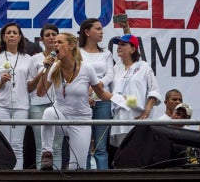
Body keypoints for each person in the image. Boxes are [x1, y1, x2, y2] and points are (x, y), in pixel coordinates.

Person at [36, 32, 113, 170]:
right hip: (60, 117)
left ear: (71, 46)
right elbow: (40, 93)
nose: (55, 45)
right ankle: (46, 154)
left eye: (59, 42)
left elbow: (101, 94)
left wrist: (119, 98)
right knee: (48, 112)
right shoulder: (53, 67)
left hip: (81, 120)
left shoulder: (86, 68)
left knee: (76, 168)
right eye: (55, 43)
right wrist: (46, 69)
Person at [0, 22, 35, 170]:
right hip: (1, 105)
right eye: (8, 33)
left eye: (15, 33)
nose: (12, 35)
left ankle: (17, 176)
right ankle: (3, 176)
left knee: (17, 145)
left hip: (21, 106)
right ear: (3, 37)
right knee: (3, 145)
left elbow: (30, 86)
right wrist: (0, 82)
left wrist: (39, 77)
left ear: (20, 37)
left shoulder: (28, 59)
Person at [109, 34, 161, 150]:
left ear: (133, 49)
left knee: (139, 153)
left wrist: (147, 110)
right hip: (120, 120)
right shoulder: (116, 68)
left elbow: (154, 90)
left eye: (123, 44)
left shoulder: (143, 67)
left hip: (138, 117)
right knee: (123, 154)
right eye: (118, 45)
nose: (119, 47)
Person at [78, 18, 113, 170]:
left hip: (103, 101)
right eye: (98, 29)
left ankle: (104, 177)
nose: (101, 32)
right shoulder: (77, 52)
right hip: (82, 101)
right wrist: (87, 90)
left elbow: (110, 74)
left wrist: (97, 85)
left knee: (100, 146)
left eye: (102, 29)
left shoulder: (106, 53)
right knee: (84, 145)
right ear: (87, 32)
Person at [28, 24, 64, 169]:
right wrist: (44, 69)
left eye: (54, 34)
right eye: (47, 35)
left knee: (57, 147)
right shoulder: (35, 59)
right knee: (41, 147)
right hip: (37, 105)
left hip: (59, 105)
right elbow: (29, 86)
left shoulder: (64, 58)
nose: (51, 37)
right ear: (41, 40)